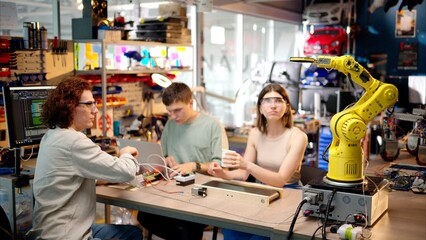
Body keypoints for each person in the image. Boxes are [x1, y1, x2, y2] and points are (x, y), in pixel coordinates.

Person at [26, 77, 142, 240]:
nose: (95, 110)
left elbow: (66, 178)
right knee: (133, 234)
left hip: (49, 231)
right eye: (89, 104)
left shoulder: (52, 135)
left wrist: (101, 178)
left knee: (132, 232)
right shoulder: (74, 141)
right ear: (70, 107)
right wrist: (126, 153)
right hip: (66, 236)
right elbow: (126, 172)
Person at [208, 83, 308, 240]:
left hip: (290, 196)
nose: (273, 105)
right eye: (267, 101)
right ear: (260, 108)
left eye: (278, 100)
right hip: (263, 194)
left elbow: (281, 180)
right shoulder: (255, 133)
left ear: (287, 107)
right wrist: (222, 174)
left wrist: (247, 164)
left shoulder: (298, 137)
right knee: (230, 231)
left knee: (259, 237)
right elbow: (242, 174)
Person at [137, 82, 228, 240]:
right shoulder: (171, 125)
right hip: (174, 191)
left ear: (190, 103)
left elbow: (220, 168)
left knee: (188, 223)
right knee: (144, 216)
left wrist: (194, 166)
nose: (173, 116)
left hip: (202, 194)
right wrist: (165, 159)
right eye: (169, 112)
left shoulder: (212, 125)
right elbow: (162, 156)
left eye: (177, 110)